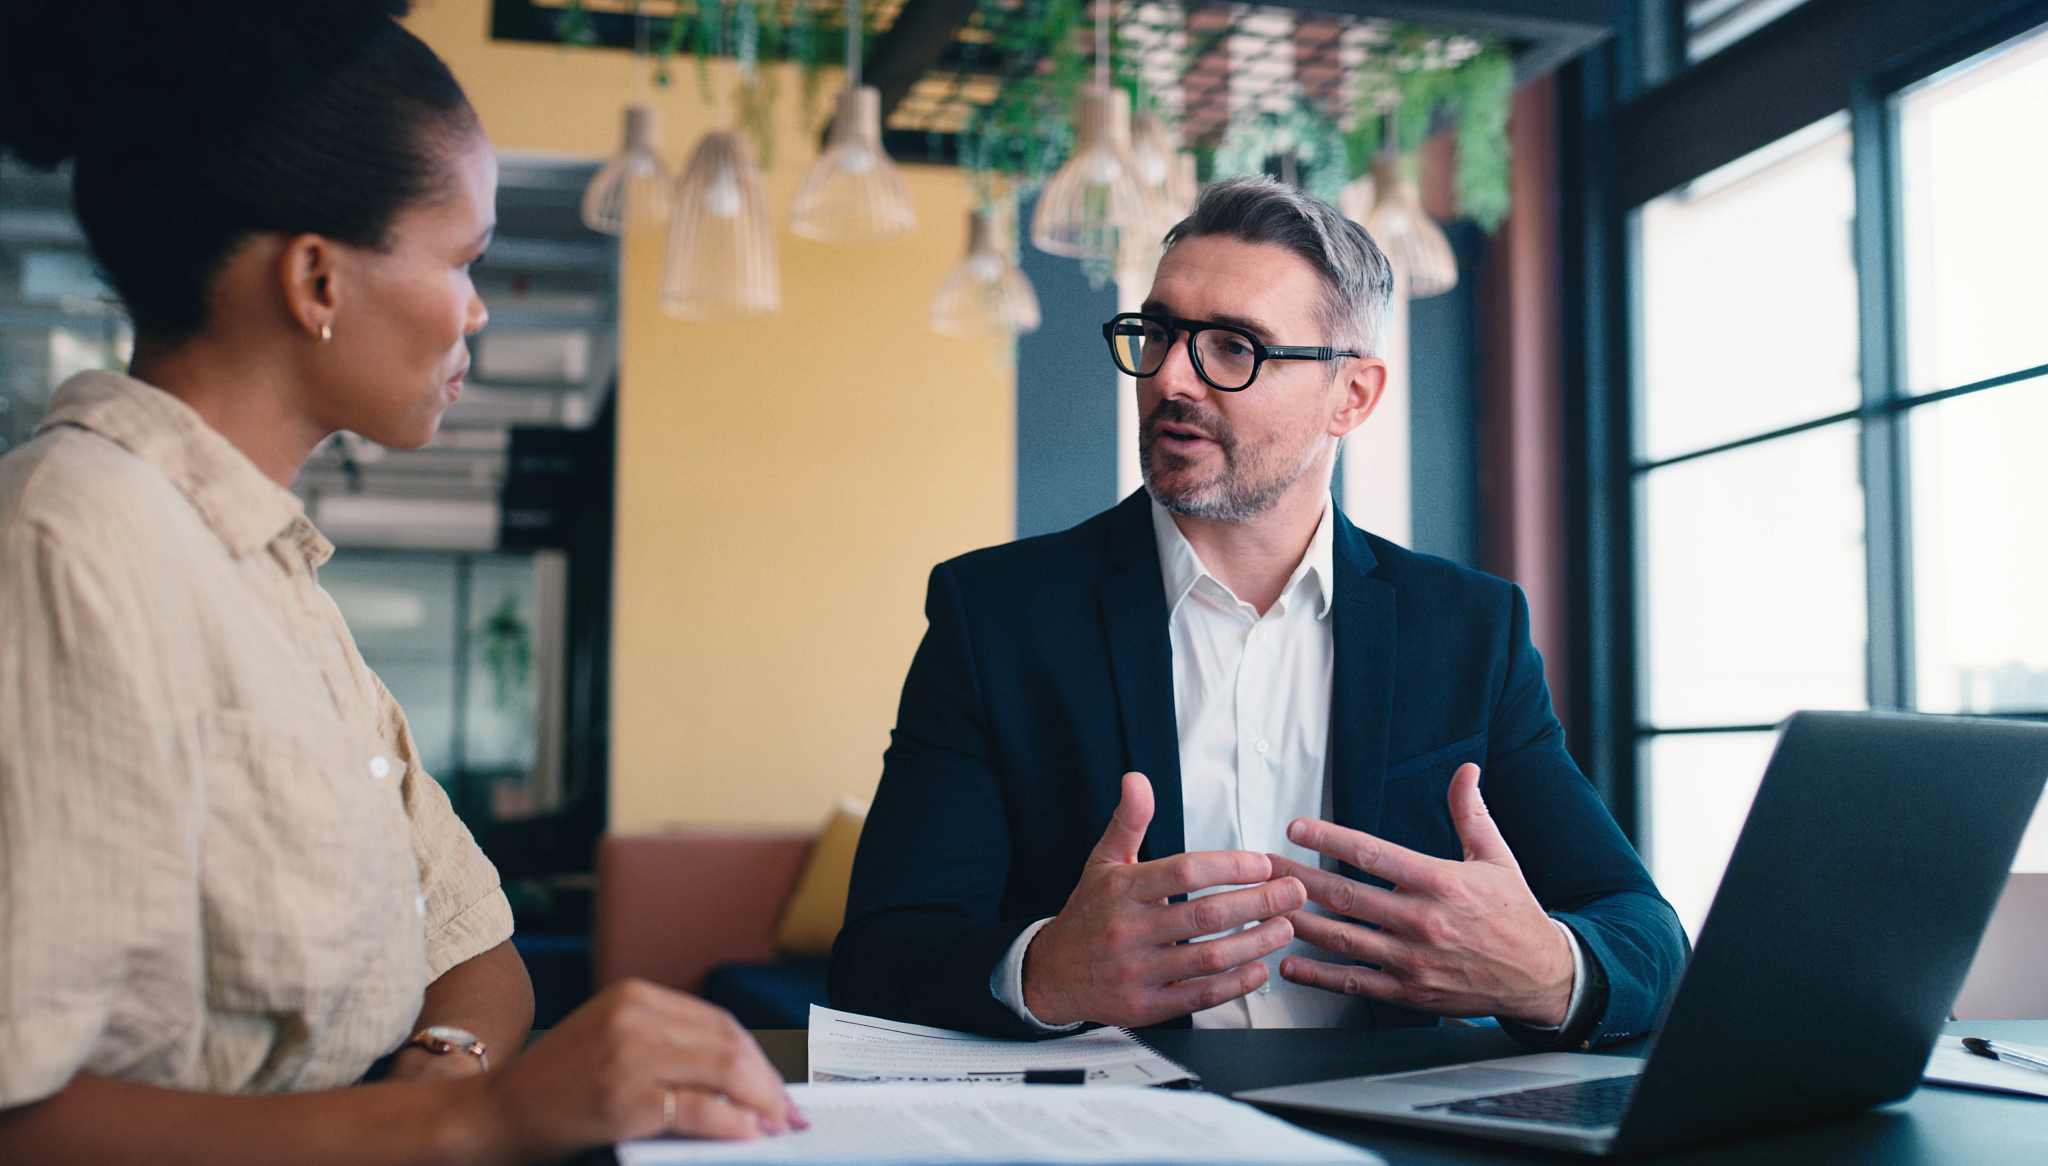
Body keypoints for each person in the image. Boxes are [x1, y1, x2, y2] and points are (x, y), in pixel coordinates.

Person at [0, 4, 797, 1162]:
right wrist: (472, 1117)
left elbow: (476, 951)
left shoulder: (278, 583)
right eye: (462, 259)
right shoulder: (67, 543)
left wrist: (440, 1074)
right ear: (316, 278)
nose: (477, 307)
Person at [831, 175, 1687, 1046]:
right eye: (1158, 333)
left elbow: (1644, 934)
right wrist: (1047, 970)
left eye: (1233, 347)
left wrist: (1546, 971)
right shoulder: (997, 619)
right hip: (1118, 1112)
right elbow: (878, 957)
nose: (1170, 377)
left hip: (1387, 1108)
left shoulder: (1469, 630)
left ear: (1352, 396)